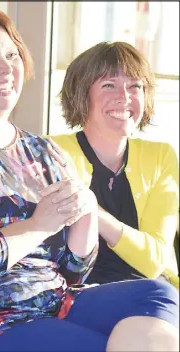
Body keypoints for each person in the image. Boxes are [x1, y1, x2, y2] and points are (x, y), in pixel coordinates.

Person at [0, 6, 179, 352]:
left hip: (47, 301)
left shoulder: (39, 150)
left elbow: (72, 270)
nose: (5, 68)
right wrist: (39, 224)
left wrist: (86, 208)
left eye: (11, 54)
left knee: (158, 294)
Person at [50, 41, 179, 288]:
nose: (125, 97)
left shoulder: (160, 156)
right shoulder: (51, 151)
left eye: (135, 86)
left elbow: (154, 261)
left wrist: (94, 212)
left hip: (150, 289)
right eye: (109, 85)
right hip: (75, 293)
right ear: (81, 93)